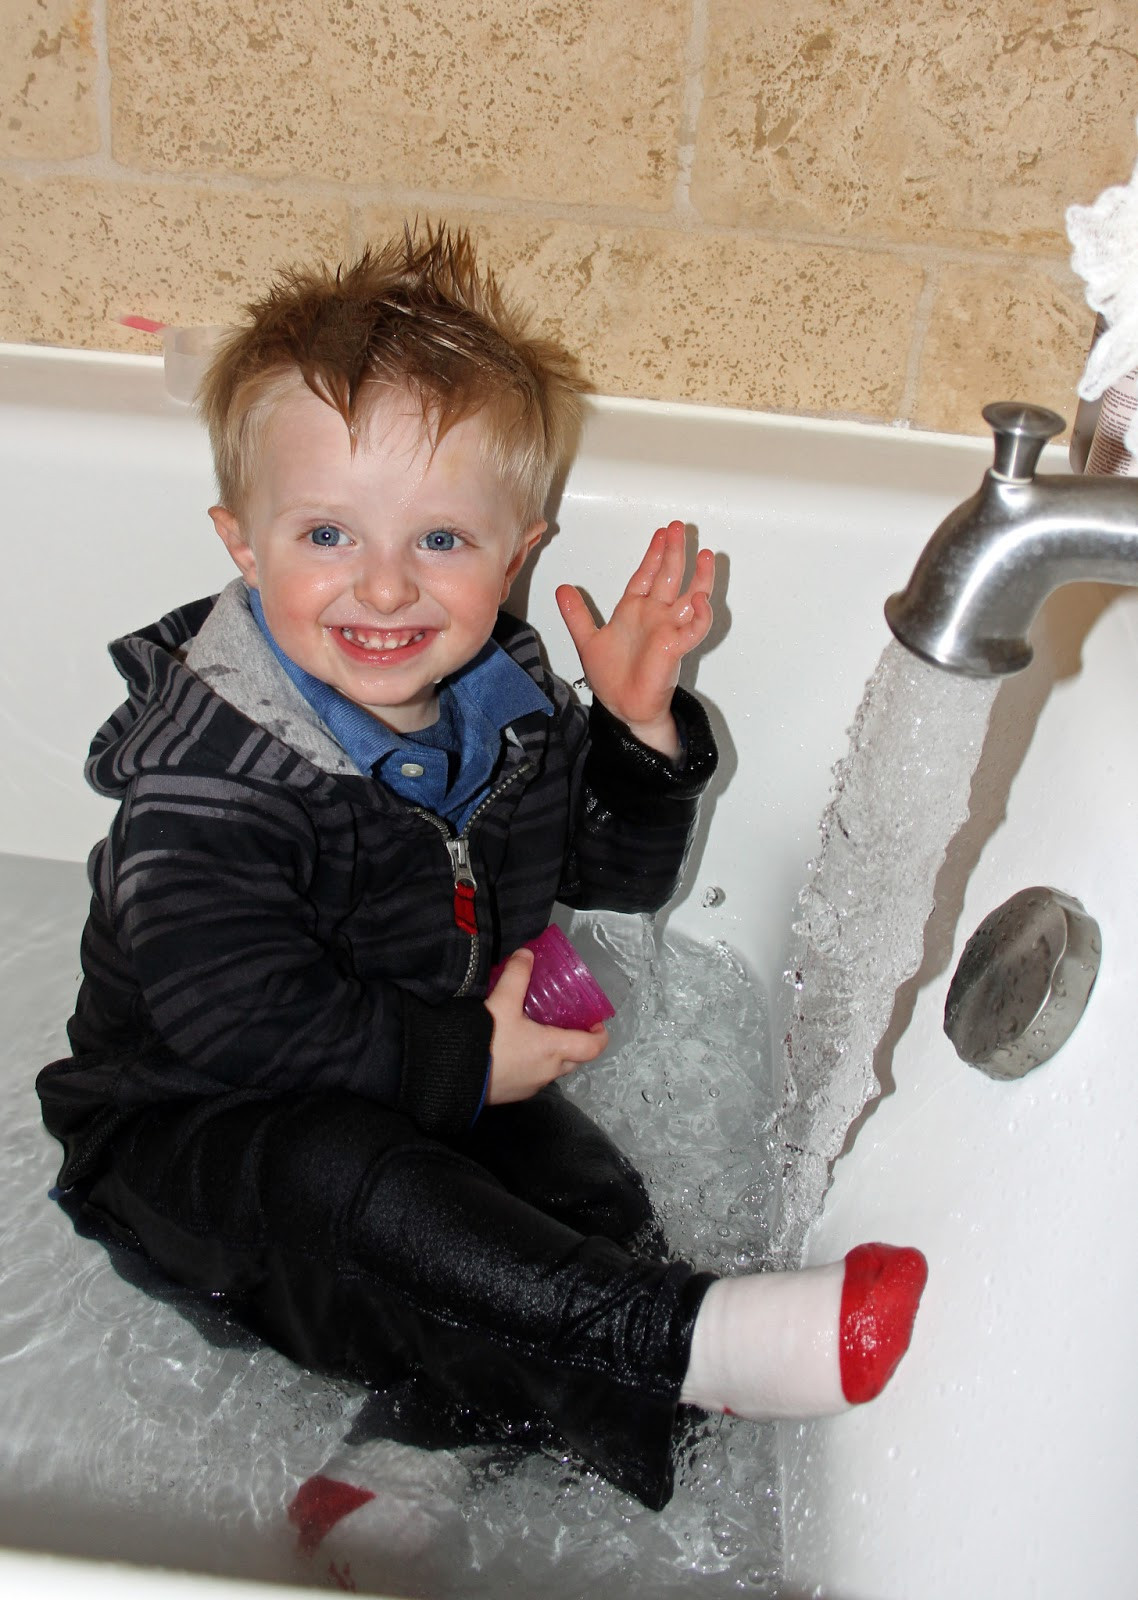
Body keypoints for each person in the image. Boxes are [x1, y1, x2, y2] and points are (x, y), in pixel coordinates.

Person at [37, 225, 926, 1512]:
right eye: (328, 532)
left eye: (443, 540)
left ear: (516, 551)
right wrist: (467, 1065)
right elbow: (235, 1016)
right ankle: (678, 1344)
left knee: (583, 1206)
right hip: (196, 1144)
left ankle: (419, 1453)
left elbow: (613, 877)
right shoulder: (209, 779)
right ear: (242, 542)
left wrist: (630, 734)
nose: (385, 583)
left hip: (431, 1065)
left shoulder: (497, 705)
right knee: (369, 1187)